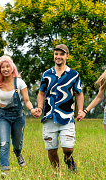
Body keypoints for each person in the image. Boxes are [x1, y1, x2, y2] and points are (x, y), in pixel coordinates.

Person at [0, 56, 38, 176]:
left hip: (18, 116)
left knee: (17, 143)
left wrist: (32, 109)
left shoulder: (19, 82)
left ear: (12, 68)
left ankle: (18, 153)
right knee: (4, 143)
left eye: (7, 66)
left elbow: (26, 100)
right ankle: (5, 170)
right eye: (2, 67)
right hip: (3, 116)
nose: (5, 69)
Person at [35, 44, 85, 172]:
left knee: (68, 148)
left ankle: (68, 158)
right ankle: (56, 173)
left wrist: (80, 110)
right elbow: (41, 93)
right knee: (51, 150)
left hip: (67, 116)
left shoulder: (74, 75)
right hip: (49, 116)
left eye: (61, 54)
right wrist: (39, 108)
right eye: (56, 54)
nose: (58, 57)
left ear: (67, 56)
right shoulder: (47, 74)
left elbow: (79, 93)